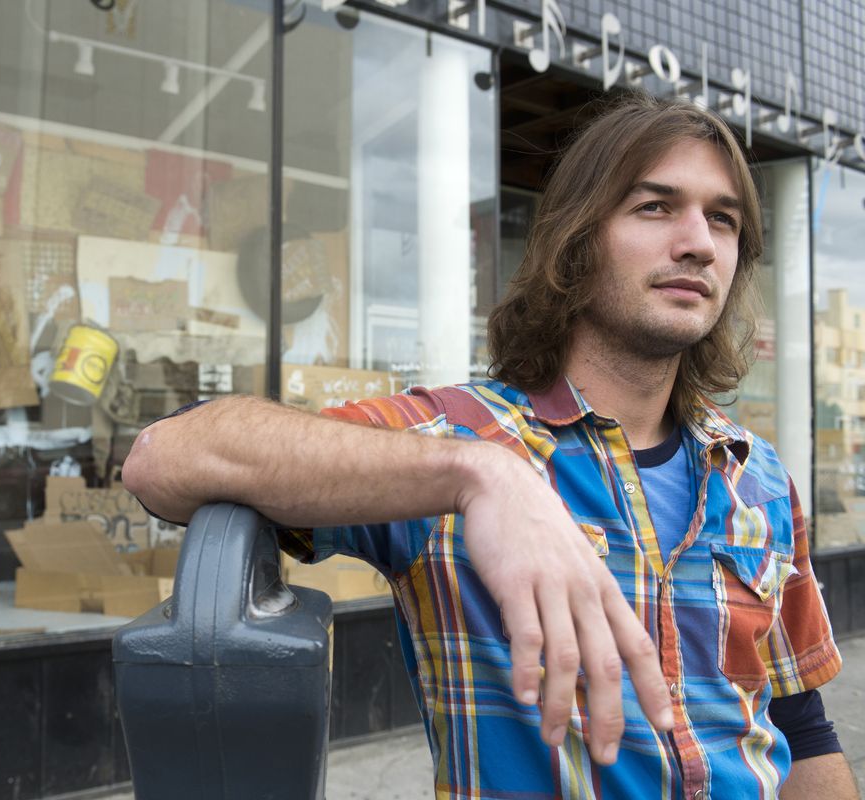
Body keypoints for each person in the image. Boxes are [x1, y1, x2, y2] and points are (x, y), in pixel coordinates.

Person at [122, 94, 857, 799]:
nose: (697, 241)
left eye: (722, 220)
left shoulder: (754, 475)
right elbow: (167, 455)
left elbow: (800, 727)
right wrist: (480, 475)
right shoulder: (458, 439)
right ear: (577, 240)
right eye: (655, 206)